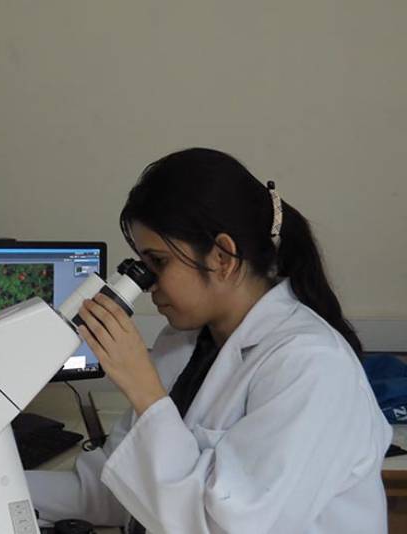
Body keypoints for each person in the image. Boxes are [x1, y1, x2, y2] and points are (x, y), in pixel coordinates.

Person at [26, 148, 391, 533]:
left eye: (158, 262)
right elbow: (112, 492)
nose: (146, 284)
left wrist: (145, 391)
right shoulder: (183, 344)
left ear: (222, 256)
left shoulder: (311, 365)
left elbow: (223, 526)